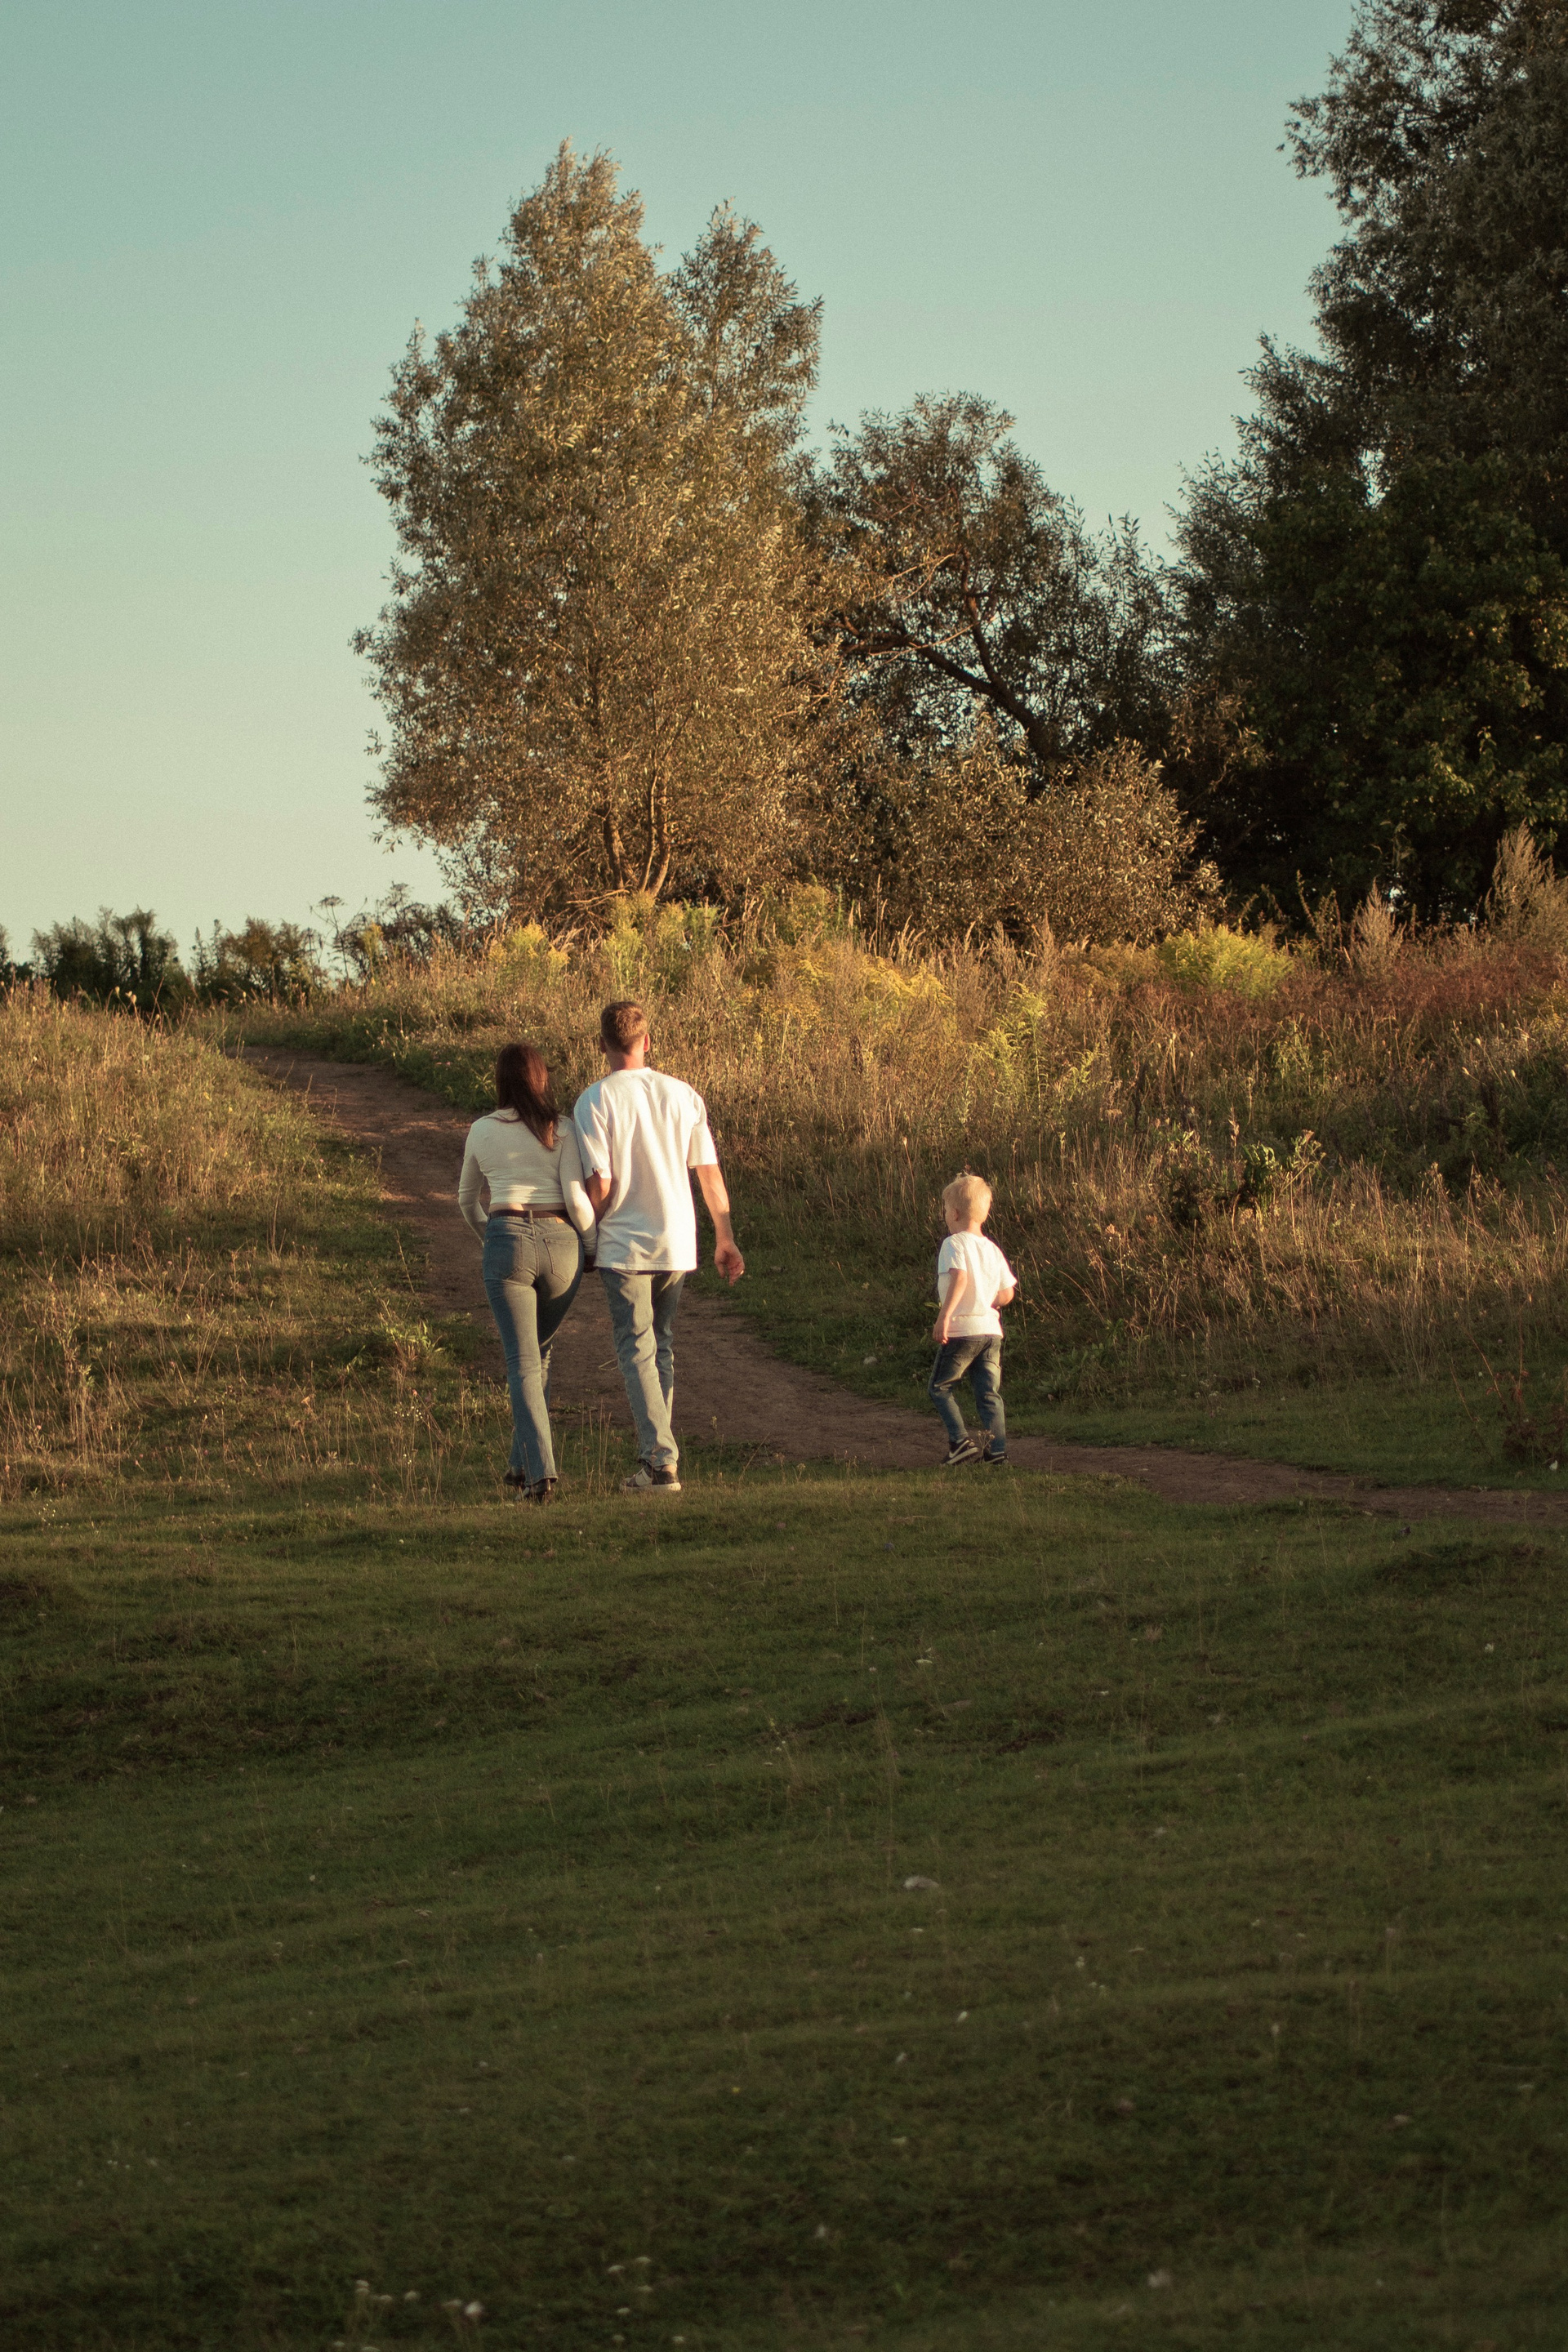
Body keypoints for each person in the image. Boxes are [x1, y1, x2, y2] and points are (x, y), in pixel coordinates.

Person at [573, 1000, 743, 1493]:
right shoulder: (684, 1095)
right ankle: (658, 1457)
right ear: (647, 1041)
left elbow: (601, 1184)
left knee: (636, 1347)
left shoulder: (594, 1100)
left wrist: (586, 1234)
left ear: (602, 1045)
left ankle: (660, 1461)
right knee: (660, 1344)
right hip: (677, 1238)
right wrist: (725, 1237)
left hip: (624, 1243)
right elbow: (709, 1174)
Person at [459, 1042, 595, 1503]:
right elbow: (577, 1199)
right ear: (541, 1078)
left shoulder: (481, 1129)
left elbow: (466, 1201)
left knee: (522, 1361)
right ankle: (521, 1467)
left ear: (499, 1081)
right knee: (540, 1354)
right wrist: (591, 1248)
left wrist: (492, 1236)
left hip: (506, 1238)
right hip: (562, 1245)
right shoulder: (562, 1128)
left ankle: (540, 1475)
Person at [928, 1173, 1017, 1468]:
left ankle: (961, 1443)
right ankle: (997, 1452)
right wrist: (985, 1301)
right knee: (989, 1394)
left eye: (945, 1209)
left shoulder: (954, 1244)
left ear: (954, 1214)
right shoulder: (992, 1249)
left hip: (962, 1330)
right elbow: (1007, 1293)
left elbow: (960, 1279)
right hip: (991, 1332)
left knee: (940, 1388)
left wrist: (944, 1317)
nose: (944, 1215)